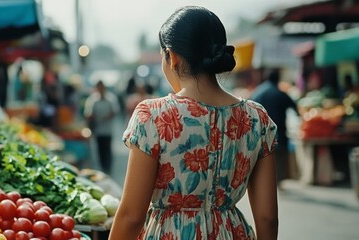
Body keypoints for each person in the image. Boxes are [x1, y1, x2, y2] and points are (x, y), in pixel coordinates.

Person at [109, 6, 279, 240]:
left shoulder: (153, 116)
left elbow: (131, 216)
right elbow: (268, 218)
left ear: (172, 57)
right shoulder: (257, 119)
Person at [251, 68, 298, 187]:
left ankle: (265, 182)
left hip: (260, 131)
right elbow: (295, 107)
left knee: (262, 158)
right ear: (278, 79)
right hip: (279, 132)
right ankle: (277, 181)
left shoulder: (257, 92)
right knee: (278, 158)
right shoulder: (280, 93)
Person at [83, 80, 120, 174]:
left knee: (107, 149)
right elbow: (88, 113)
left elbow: (115, 111)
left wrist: (107, 117)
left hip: (108, 129)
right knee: (100, 149)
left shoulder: (111, 98)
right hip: (98, 130)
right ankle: (103, 168)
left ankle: (108, 168)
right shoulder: (92, 99)